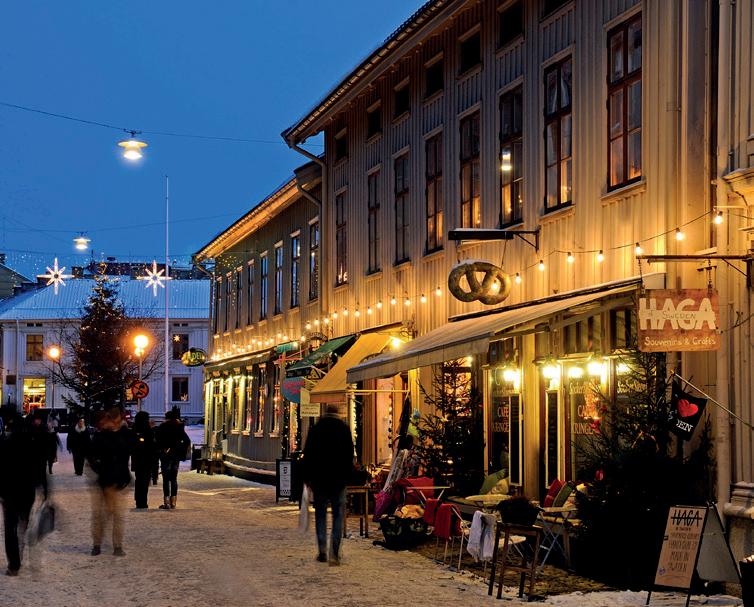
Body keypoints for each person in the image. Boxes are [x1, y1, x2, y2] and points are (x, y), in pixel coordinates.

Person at [302, 403, 354, 566]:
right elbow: (349, 455)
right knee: (338, 515)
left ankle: (322, 550)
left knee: (321, 515)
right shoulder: (344, 429)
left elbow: (308, 454)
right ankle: (335, 552)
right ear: (337, 413)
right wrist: (347, 477)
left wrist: (307, 478)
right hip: (339, 480)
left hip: (320, 480)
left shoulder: (316, 429)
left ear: (325, 412)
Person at [0, 409, 47, 576]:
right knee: (22, 524)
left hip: (9, 493)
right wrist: (43, 487)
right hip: (26, 492)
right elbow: (40, 467)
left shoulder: (4, 444)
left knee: (10, 528)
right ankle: (18, 550)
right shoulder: (31, 443)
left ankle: (14, 564)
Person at [87, 407, 131, 557]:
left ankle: (116, 545)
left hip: (116, 481)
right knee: (100, 514)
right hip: (103, 480)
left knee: (116, 514)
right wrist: (99, 469)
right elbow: (92, 456)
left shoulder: (122, 435)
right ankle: (98, 544)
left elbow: (125, 455)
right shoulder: (101, 436)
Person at [155, 407, 190, 510]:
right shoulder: (179, 427)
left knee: (166, 479)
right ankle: (173, 501)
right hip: (175, 456)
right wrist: (180, 449)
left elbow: (157, 440)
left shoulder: (162, 427)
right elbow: (187, 441)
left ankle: (166, 502)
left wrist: (162, 449)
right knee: (174, 478)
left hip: (165, 455)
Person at [131, 411, 157, 509]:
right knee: (145, 481)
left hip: (137, 459)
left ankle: (138, 500)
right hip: (146, 459)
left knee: (139, 480)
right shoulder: (147, 429)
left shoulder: (134, 428)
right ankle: (143, 501)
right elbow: (152, 445)